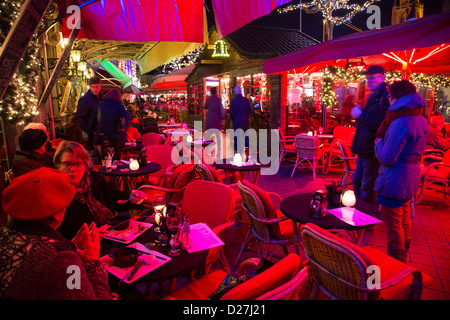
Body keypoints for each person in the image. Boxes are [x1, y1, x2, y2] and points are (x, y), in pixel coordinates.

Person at [0, 167, 112, 299]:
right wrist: (94, 264)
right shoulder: (64, 262)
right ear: (57, 214)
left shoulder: (4, 235)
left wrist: (69, 246)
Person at [374, 80, 429, 262]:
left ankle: (396, 261)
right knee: (404, 217)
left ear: (396, 98)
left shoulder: (399, 122)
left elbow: (388, 157)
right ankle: (404, 254)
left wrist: (379, 143)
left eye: (390, 96)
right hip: (412, 175)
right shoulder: (420, 118)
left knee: (393, 224)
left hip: (396, 177)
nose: (388, 100)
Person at [53, 140, 146, 240]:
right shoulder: (55, 193)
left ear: (85, 165)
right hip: (81, 248)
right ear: (58, 165)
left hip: (110, 235)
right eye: (67, 164)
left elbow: (117, 199)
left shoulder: (94, 179)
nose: (73, 169)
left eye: (78, 163)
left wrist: (132, 196)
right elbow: (55, 237)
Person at [350, 65, 390, 204]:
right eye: (368, 78)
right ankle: (360, 218)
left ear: (382, 77)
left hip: (372, 151)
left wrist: (361, 114)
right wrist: (361, 115)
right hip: (365, 150)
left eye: (372, 78)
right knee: (358, 185)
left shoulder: (385, 96)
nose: (369, 81)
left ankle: (366, 223)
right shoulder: (376, 96)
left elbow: (381, 123)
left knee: (366, 189)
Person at [97, 89, 132, 161]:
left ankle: (106, 170)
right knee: (116, 158)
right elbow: (126, 121)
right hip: (115, 136)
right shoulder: (119, 106)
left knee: (106, 158)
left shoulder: (101, 105)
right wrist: (124, 131)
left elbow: (97, 120)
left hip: (104, 136)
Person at [73, 77, 102, 164]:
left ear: (100, 86)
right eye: (93, 87)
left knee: (98, 155)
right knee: (93, 155)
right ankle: (92, 174)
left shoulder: (98, 98)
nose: (95, 89)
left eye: (97, 87)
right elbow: (78, 118)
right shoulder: (86, 99)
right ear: (89, 86)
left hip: (96, 131)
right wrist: (89, 130)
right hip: (89, 132)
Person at [229, 85, 252, 152]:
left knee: (237, 137)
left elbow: (231, 113)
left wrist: (233, 119)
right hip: (245, 121)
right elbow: (249, 111)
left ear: (235, 92)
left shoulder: (233, 101)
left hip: (236, 121)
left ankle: (238, 151)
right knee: (245, 136)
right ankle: (246, 151)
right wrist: (246, 117)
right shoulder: (246, 100)